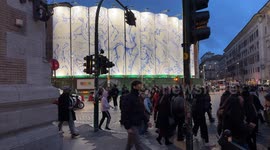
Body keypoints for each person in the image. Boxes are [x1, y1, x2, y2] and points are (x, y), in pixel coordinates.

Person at [121, 80, 148, 150]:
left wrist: (147, 120)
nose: (141, 86)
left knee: (130, 144)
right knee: (138, 144)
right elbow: (124, 112)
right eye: (139, 85)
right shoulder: (129, 97)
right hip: (132, 124)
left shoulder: (138, 97)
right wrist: (127, 127)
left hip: (137, 123)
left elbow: (141, 110)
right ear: (134, 86)